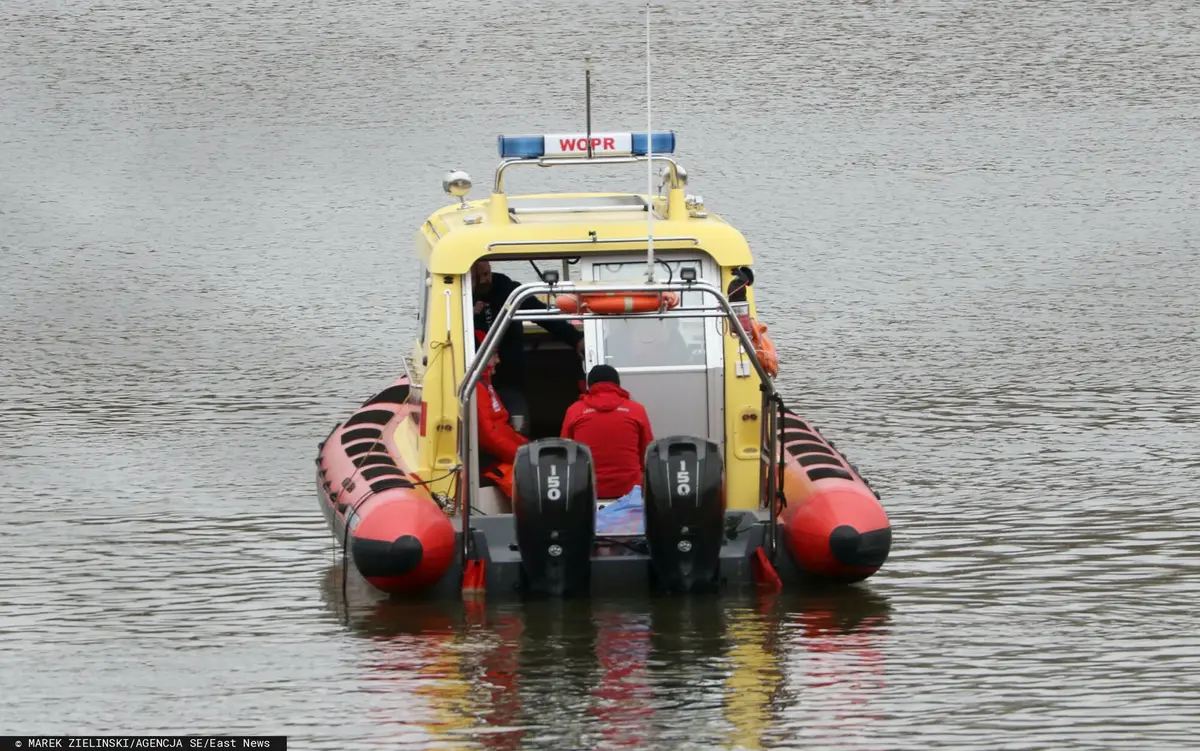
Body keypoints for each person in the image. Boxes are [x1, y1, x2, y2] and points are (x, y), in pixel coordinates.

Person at [472, 260, 585, 427]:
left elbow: (544, 316)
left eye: (486, 274)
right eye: (478, 276)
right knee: (482, 426)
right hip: (476, 380)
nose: (484, 280)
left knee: (519, 422)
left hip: (510, 376)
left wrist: (576, 339)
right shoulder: (460, 296)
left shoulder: (508, 289)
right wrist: (470, 313)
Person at [560, 365, 654, 501]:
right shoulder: (636, 410)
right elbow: (648, 454)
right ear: (618, 384)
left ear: (589, 385)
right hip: (630, 491)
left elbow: (564, 454)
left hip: (586, 492)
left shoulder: (574, 411)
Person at [473, 329, 529, 499]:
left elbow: (500, 428)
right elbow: (490, 436)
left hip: (501, 457)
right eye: (494, 355)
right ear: (482, 356)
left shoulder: (484, 384)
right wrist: (522, 456)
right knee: (531, 489)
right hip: (490, 463)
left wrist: (527, 448)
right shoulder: (477, 388)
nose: (498, 360)